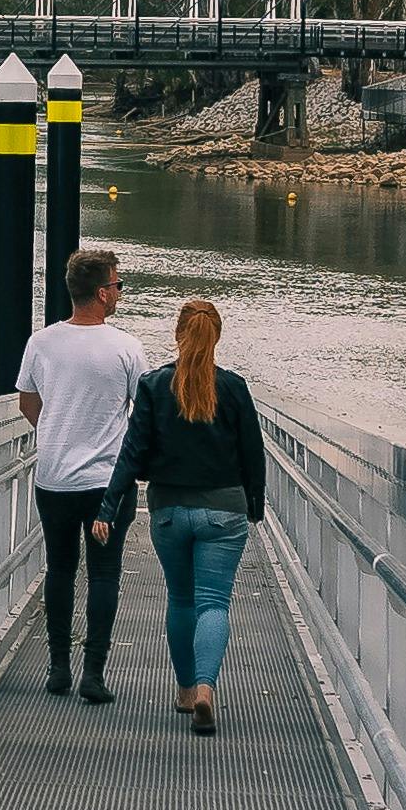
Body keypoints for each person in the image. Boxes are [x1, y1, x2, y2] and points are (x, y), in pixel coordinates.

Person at [97, 298, 266, 736]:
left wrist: (109, 507)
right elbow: (253, 452)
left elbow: (131, 453)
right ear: (217, 337)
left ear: (177, 334)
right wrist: (255, 506)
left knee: (182, 600)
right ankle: (208, 689)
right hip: (224, 513)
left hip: (170, 510)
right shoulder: (234, 388)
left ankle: (187, 690)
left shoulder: (154, 386)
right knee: (214, 601)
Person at [12, 246, 146, 702]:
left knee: (60, 568)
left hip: (54, 479)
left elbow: (27, 400)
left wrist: (54, 430)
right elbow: (141, 411)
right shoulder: (126, 347)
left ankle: (57, 667)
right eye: (118, 284)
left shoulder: (41, 343)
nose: (120, 291)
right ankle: (94, 673)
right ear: (103, 294)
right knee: (104, 573)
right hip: (108, 485)